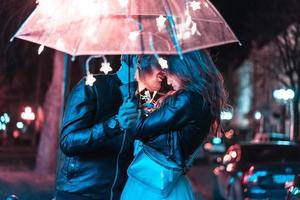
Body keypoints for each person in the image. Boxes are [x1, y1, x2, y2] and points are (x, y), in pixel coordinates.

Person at [121, 50, 228, 200]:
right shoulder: (201, 100)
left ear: (182, 70)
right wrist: (143, 90)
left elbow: (140, 128)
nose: (168, 80)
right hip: (171, 182)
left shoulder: (187, 99)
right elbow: (155, 116)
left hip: (155, 181)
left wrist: (130, 92)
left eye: (170, 72)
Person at [55, 55, 162, 200]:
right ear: (137, 60)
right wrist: (115, 124)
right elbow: (68, 142)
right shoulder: (92, 86)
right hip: (81, 192)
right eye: (158, 61)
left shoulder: (149, 99)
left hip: (123, 194)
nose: (164, 69)